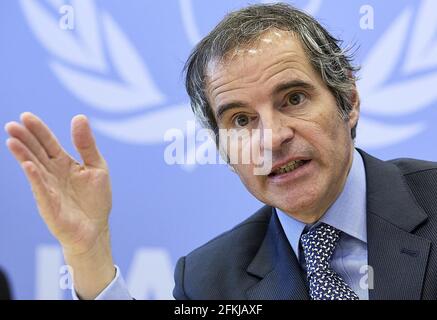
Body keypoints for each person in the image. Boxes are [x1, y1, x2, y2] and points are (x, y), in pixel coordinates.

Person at [4, 3, 437, 300]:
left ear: (349, 99)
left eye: (294, 99)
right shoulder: (209, 279)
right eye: (241, 120)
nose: (271, 138)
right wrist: (89, 250)